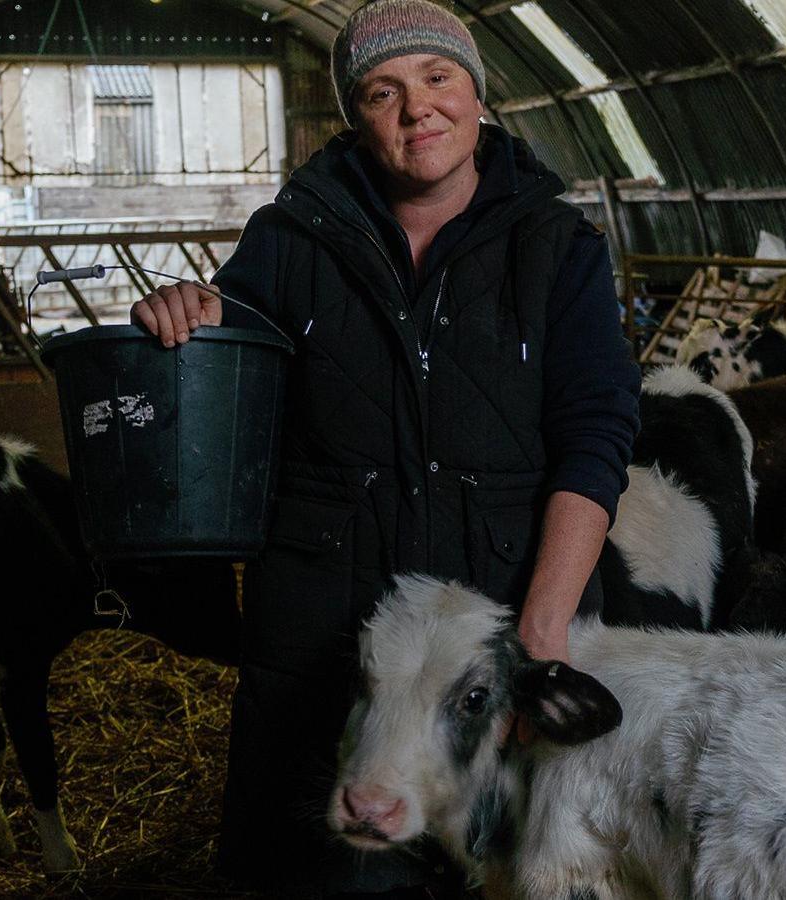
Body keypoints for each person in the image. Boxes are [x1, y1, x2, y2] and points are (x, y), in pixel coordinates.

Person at [129, 1, 641, 895]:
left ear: (479, 94)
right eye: (382, 90)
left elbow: (596, 436)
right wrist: (189, 321)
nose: (418, 110)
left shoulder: (558, 247)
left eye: (439, 78)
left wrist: (545, 627)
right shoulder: (288, 243)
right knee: (314, 877)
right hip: (329, 640)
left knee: (514, 869)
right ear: (356, 116)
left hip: (499, 629)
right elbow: (223, 396)